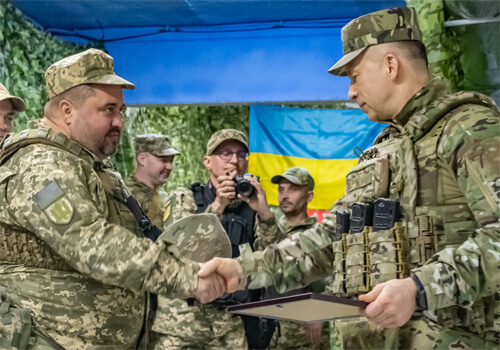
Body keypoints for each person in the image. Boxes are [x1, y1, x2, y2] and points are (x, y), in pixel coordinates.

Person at [200, 7, 500, 349]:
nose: (351, 93)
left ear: (391, 65)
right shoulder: (380, 153)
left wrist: (420, 288)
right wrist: (242, 271)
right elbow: (327, 241)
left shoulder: (469, 129)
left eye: (354, 77)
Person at [0, 48, 230, 349]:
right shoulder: (40, 166)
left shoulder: (90, 165)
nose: (119, 121)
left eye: (121, 110)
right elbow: (90, 242)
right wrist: (188, 278)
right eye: (108, 109)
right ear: (67, 111)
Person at [150, 129, 279, 349]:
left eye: (241, 155)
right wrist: (218, 205)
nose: (234, 161)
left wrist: (265, 214)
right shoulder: (184, 197)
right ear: (208, 162)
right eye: (225, 153)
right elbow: (178, 250)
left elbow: (275, 262)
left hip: (230, 325)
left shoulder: (253, 207)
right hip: (182, 323)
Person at [264, 167, 330, 350]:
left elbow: (339, 279)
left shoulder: (319, 236)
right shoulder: (268, 232)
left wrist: (321, 311)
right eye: (281, 189)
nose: (284, 195)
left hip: (304, 335)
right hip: (270, 332)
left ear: (309, 196)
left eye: (293, 189)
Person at [126, 133, 179, 229]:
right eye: (163, 160)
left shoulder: (164, 198)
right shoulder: (125, 196)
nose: (170, 167)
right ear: (142, 159)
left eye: (171, 161)